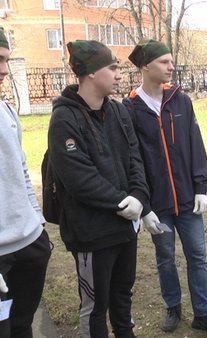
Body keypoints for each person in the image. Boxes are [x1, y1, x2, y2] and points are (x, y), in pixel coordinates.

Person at [122, 40, 207, 336]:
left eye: (171, 61)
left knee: (198, 255)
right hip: (157, 204)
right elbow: (132, 160)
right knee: (165, 258)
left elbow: (195, 144)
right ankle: (173, 306)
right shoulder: (129, 107)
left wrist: (200, 187)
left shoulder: (181, 100)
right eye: (164, 62)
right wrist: (143, 207)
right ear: (145, 66)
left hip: (187, 199)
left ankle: (204, 313)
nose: (170, 67)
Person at [48, 40, 149, 337]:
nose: (119, 74)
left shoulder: (118, 112)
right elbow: (79, 179)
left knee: (123, 295)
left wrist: (139, 196)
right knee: (95, 305)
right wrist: (123, 202)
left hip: (126, 226)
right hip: (92, 234)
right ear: (91, 72)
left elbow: (135, 158)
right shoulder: (64, 119)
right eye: (113, 67)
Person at [0, 27, 52, 338]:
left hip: (30, 244)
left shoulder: (7, 110)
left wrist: (38, 223)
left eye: (6, 60)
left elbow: (20, 168)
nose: (4, 70)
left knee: (22, 327)